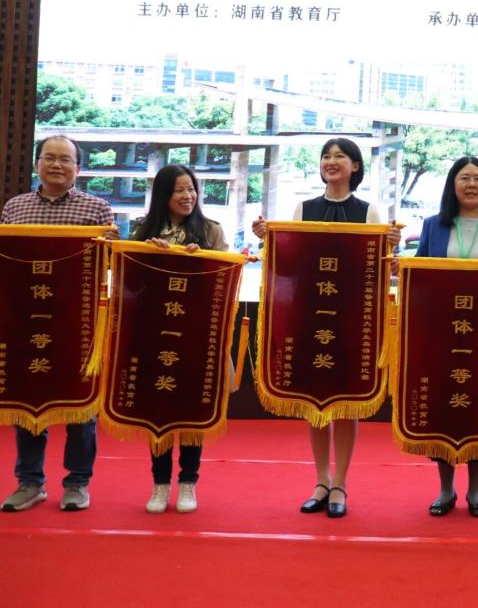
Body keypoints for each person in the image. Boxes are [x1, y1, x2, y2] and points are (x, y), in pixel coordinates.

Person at [252, 137, 399, 518]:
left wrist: (390, 247)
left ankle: (341, 483)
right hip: (311, 314)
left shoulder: (368, 211)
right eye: (326, 156)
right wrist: (269, 239)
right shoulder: (304, 208)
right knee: (315, 401)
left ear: (355, 167)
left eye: (340, 157)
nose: (331, 162)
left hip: (351, 318)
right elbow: (290, 264)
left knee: (346, 402)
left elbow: (376, 269)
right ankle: (321, 480)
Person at [1, 135, 117, 513]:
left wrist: (111, 246)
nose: (56, 165)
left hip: (77, 325)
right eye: (49, 157)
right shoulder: (14, 209)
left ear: (78, 168)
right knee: (28, 401)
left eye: (65, 159)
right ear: (37, 164)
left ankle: (77, 483)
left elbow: (110, 264)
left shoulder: (97, 209)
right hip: (26, 321)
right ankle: (30, 482)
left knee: (81, 406)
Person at [415, 156, 478, 518]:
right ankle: (445, 489)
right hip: (441, 332)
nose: (472, 185)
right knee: (443, 406)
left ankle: (475, 490)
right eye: (464, 178)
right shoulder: (433, 225)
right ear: (452, 185)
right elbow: (419, 273)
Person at [132, 165, 229, 513]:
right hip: (155, 336)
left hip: (197, 335)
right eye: (179, 190)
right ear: (163, 196)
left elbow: (224, 280)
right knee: (157, 409)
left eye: (191, 189)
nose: (188, 196)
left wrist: (201, 262)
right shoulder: (144, 231)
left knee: (192, 409)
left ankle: (188, 482)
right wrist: (149, 257)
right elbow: (132, 288)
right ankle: (160, 484)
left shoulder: (211, 230)